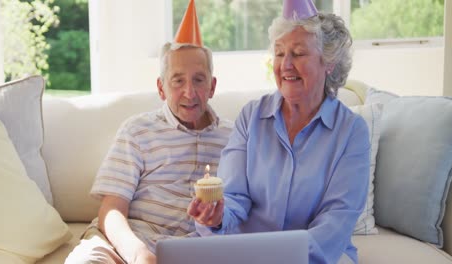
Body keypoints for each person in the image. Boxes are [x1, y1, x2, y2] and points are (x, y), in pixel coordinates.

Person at [187, 0, 370, 263]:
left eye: (298, 53)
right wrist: (217, 217)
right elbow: (235, 196)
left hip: (314, 257)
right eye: (280, 53)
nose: (285, 64)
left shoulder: (351, 131)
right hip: (248, 253)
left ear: (328, 62)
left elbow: (336, 220)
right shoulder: (251, 116)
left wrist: (281, 257)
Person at [65, 1, 232, 263]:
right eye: (178, 80)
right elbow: (111, 208)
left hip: (193, 249)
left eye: (198, 80)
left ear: (212, 86)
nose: (189, 92)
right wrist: (137, 253)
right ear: (161, 88)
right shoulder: (137, 130)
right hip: (127, 239)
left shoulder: (233, 138)